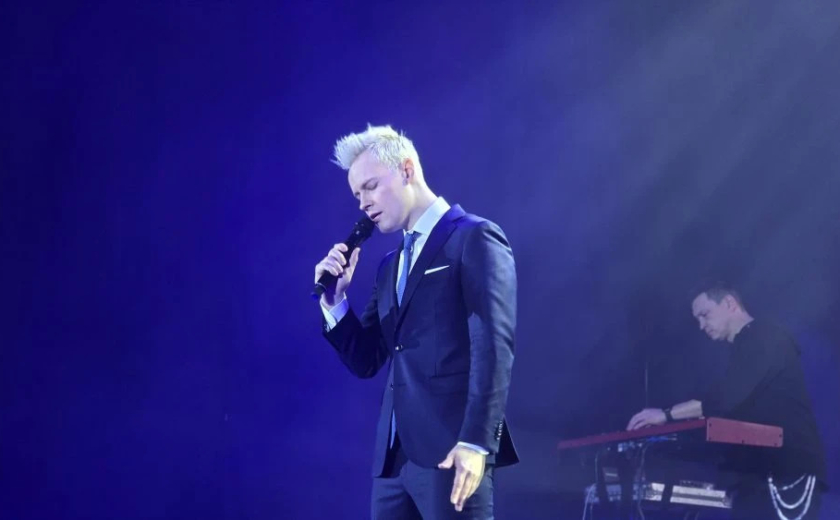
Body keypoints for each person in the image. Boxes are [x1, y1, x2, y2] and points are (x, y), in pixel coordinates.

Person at [314, 124, 518, 519]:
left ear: (407, 170)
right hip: (393, 463)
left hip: (451, 448)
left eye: (370, 186)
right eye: (357, 195)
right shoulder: (390, 266)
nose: (363, 203)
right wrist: (334, 301)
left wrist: (477, 442)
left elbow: (494, 346)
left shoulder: (473, 238)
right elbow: (367, 359)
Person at [626, 282, 827, 519]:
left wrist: (666, 415)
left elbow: (724, 398)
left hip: (788, 470)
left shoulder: (766, 335)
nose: (701, 325)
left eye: (705, 314)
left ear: (730, 303)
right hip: (756, 473)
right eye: (697, 319)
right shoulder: (742, 347)